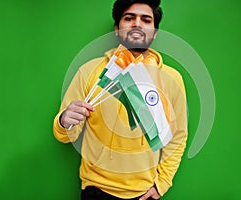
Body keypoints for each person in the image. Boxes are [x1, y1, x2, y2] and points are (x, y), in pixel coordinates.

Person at [53, 0, 188, 199]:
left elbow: (177, 136)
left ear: (155, 31)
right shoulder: (90, 71)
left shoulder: (172, 79)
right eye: (129, 18)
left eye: (146, 19)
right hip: (96, 189)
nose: (137, 24)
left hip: (143, 192)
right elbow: (66, 136)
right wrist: (64, 120)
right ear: (117, 29)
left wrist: (162, 184)